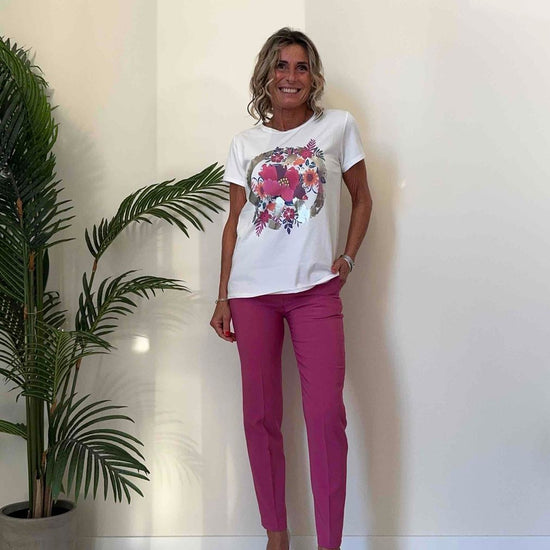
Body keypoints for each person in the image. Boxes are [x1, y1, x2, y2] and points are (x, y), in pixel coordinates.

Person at [210, 27, 372, 550]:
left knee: (325, 418)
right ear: (267, 75)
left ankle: (329, 543)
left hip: (316, 292)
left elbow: (363, 198)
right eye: (281, 66)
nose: (291, 76)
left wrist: (347, 258)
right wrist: (222, 296)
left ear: (313, 77)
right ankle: (276, 537)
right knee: (260, 417)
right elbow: (234, 222)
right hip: (251, 292)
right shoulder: (245, 143)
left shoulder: (338, 127)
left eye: (301, 67)